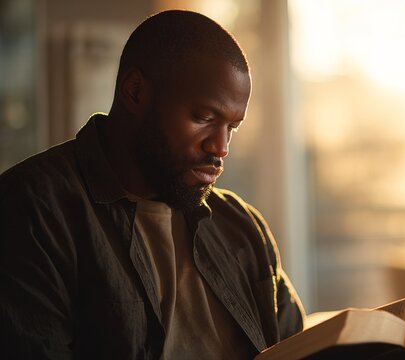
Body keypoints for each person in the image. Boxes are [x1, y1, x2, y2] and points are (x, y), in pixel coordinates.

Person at [0, 10, 304, 359]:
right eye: (204, 118)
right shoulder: (32, 209)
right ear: (135, 91)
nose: (220, 147)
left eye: (231, 127)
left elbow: (300, 348)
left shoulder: (243, 228)